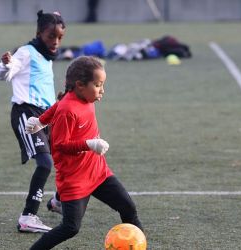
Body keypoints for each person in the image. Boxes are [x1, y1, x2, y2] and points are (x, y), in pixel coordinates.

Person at [25, 56, 143, 249]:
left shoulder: (80, 97)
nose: (102, 90)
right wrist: (89, 144)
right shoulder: (67, 110)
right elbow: (60, 145)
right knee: (71, 227)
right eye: (98, 85)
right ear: (80, 85)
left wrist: (41, 121)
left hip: (98, 172)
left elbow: (56, 105)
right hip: (74, 180)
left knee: (128, 207)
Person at [0, 10, 66, 233]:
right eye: (50, 36)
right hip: (27, 114)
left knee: (67, 156)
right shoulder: (26, 52)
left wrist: (58, 102)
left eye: (59, 37)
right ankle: (28, 217)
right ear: (39, 33)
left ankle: (58, 202)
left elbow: (40, 85)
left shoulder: (46, 56)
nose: (55, 42)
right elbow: (2, 74)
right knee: (45, 163)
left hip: (48, 114)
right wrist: (6, 64)